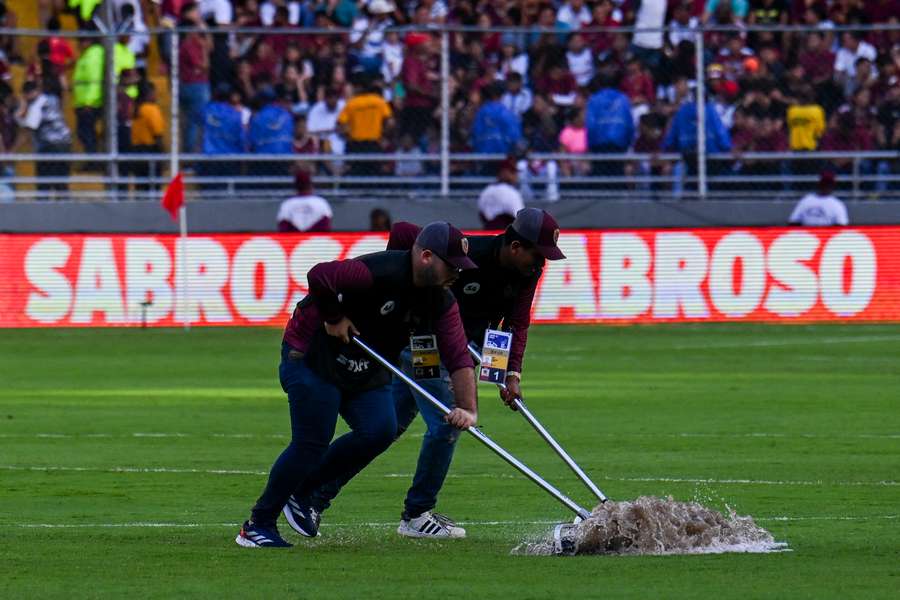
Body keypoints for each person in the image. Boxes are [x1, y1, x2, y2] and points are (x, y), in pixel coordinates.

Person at [295, 208, 566, 539]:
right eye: (538, 255)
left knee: (385, 428)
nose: (541, 264)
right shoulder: (468, 255)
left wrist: (508, 375)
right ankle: (417, 513)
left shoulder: (527, 273)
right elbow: (407, 237)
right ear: (515, 247)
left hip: (467, 350)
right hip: (425, 344)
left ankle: (311, 495)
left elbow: (513, 323)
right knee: (446, 425)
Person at [236, 221, 478, 548]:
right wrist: (334, 317)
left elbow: (458, 356)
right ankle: (258, 524)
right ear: (426, 257)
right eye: (451, 265)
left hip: (364, 365)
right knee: (312, 441)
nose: (456, 273)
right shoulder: (377, 270)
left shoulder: (442, 301)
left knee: (380, 429)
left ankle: (304, 491)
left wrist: (467, 407)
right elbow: (320, 274)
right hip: (311, 354)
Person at [15, 81, 71, 199]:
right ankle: (66, 208)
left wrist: (12, 151)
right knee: (61, 183)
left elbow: (28, 129)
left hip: (50, 147)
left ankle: (43, 210)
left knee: (43, 185)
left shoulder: (37, 105)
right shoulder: (52, 99)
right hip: (65, 145)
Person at [338, 76, 393, 176]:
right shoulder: (379, 101)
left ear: (358, 87)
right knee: (374, 176)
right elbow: (390, 122)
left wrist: (348, 137)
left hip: (356, 145)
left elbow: (341, 124)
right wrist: (383, 136)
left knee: (357, 177)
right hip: (374, 144)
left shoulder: (352, 103)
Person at [585, 67, 634, 178]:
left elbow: (591, 125)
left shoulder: (594, 99)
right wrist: (628, 143)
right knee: (616, 178)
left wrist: (590, 146)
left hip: (598, 145)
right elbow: (629, 125)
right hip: (619, 143)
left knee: (600, 180)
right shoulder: (623, 99)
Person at [470, 82, 522, 173]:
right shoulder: (507, 113)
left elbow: (475, 134)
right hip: (503, 159)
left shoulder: (481, 112)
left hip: (485, 157)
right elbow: (515, 136)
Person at [130, 82, 165, 194]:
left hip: (136, 151)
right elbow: (158, 133)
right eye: (154, 93)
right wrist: (163, 153)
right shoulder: (151, 109)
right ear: (148, 94)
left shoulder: (135, 108)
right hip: (150, 150)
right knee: (153, 186)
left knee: (140, 186)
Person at [478, 158, 525, 229]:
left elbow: (481, 215)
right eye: (512, 172)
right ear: (503, 172)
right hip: (507, 235)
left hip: (488, 233)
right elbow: (519, 218)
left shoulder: (486, 190)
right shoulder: (511, 192)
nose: (516, 176)